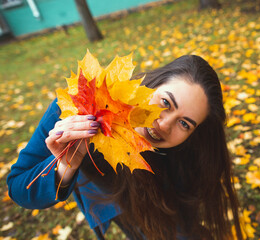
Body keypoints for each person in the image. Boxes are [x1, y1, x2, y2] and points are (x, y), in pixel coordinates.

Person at [7, 55, 242, 240]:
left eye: (184, 123)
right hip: (104, 191)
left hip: (158, 198)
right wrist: (64, 167)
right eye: (165, 102)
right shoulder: (74, 110)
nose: (164, 124)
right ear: (149, 84)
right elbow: (19, 188)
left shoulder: (183, 152)